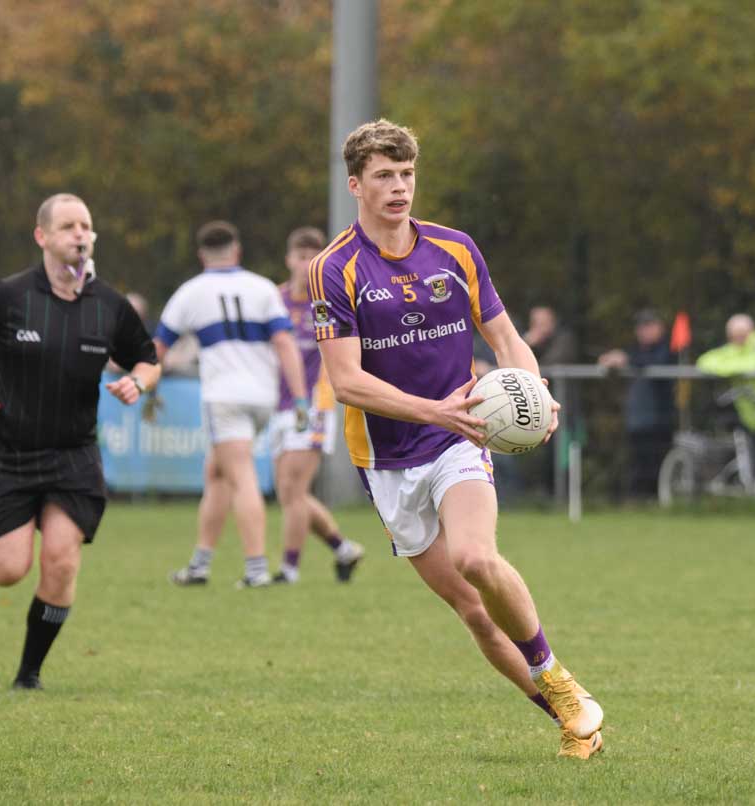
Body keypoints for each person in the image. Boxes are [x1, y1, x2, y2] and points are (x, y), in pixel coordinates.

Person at [313, 119, 603, 759]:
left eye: (407, 175)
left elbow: (505, 339)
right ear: (356, 184)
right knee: (474, 611)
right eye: (384, 176)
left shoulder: (456, 249)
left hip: (460, 438)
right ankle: (564, 712)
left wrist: (535, 390)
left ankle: (556, 676)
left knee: (477, 557)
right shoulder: (334, 269)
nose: (398, 188)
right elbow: (347, 381)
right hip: (386, 460)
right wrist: (431, 412)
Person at [0, 193, 160, 689]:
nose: (79, 234)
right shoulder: (8, 296)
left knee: (61, 561)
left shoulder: (109, 305)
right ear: (42, 236)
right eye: (67, 226)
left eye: (86, 225)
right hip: (10, 453)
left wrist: (139, 382)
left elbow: (148, 359)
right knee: (7, 570)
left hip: (74, 455)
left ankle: (29, 675)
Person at [155, 221, 309, 589]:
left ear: (201, 255)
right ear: (236, 251)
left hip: (224, 398)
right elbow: (285, 345)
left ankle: (256, 569)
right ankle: (200, 564)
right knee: (218, 473)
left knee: (240, 475)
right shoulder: (262, 288)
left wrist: (142, 383)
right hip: (263, 397)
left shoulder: (191, 292)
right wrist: (300, 397)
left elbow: (158, 349)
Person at [269, 226, 365, 583]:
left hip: (314, 404)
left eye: (314, 256)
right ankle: (343, 548)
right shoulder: (274, 300)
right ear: (289, 259)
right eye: (301, 255)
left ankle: (289, 570)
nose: (307, 263)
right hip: (277, 406)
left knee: (294, 491)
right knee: (289, 494)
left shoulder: (329, 303)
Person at [598, 309, 675, 500]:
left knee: (656, 462)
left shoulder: (667, 348)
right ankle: (639, 500)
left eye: (648, 326)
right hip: (638, 419)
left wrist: (626, 360)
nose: (643, 331)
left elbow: (657, 363)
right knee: (638, 462)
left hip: (660, 418)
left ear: (659, 327)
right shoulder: (637, 350)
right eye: (640, 327)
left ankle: (655, 499)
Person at [695, 313, 755, 483]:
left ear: (752, 331)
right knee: (752, 452)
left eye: (742, 335)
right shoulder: (733, 349)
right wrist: (734, 367)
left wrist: (727, 368)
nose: (738, 339)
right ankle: (754, 490)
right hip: (748, 414)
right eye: (734, 336)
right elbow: (704, 362)